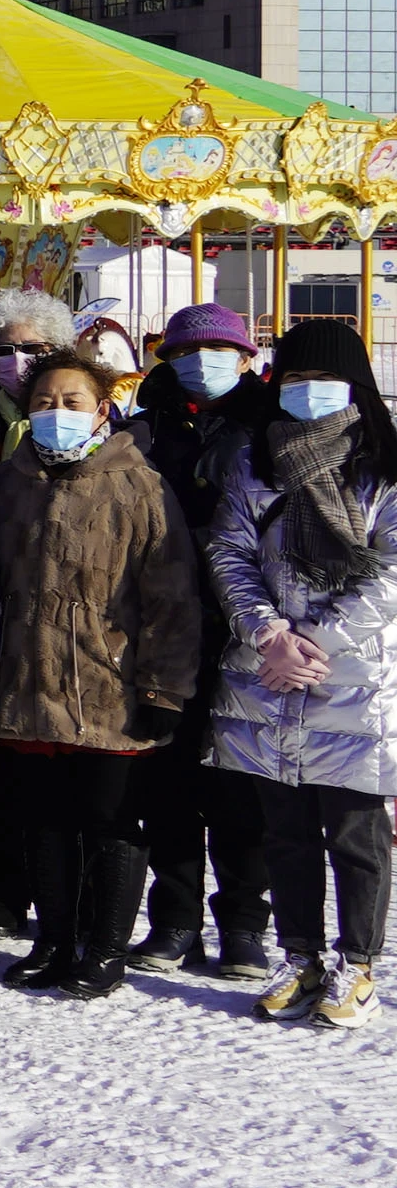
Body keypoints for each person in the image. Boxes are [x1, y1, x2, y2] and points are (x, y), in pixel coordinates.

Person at [0, 348, 202, 997]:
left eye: (71, 401)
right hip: (28, 682)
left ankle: (104, 950)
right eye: (44, 402)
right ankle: (53, 940)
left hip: (110, 685)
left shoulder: (139, 485)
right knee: (43, 819)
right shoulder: (10, 483)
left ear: (102, 409)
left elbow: (172, 597)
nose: (57, 412)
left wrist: (163, 687)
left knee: (111, 822)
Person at [205, 319, 397, 1029]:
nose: (308, 390)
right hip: (269, 675)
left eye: (324, 378)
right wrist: (267, 633)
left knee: (355, 834)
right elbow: (229, 551)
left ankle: (358, 963)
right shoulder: (254, 462)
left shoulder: (384, 469)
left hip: (352, 680)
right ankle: (300, 956)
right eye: (294, 378)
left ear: (356, 386)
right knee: (284, 832)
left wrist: (312, 642)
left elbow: (391, 574)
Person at [122, 299, 272, 973]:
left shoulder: (271, 423)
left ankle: (243, 922)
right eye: (186, 352)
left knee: (240, 783)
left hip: (248, 622)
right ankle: (175, 918)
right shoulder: (143, 427)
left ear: (245, 357)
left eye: (218, 350)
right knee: (168, 780)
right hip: (162, 623)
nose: (201, 362)